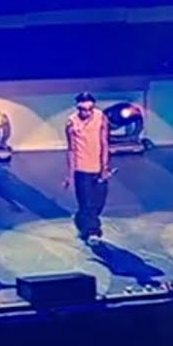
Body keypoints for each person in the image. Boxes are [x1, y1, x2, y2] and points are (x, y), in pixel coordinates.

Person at [63, 92, 112, 243]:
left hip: (98, 167)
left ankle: (81, 219)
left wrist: (105, 167)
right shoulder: (71, 123)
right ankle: (93, 231)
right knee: (86, 202)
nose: (87, 113)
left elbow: (104, 143)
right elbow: (71, 149)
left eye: (90, 109)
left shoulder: (101, 118)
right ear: (78, 108)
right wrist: (70, 174)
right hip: (81, 168)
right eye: (84, 109)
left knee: (99, 202)